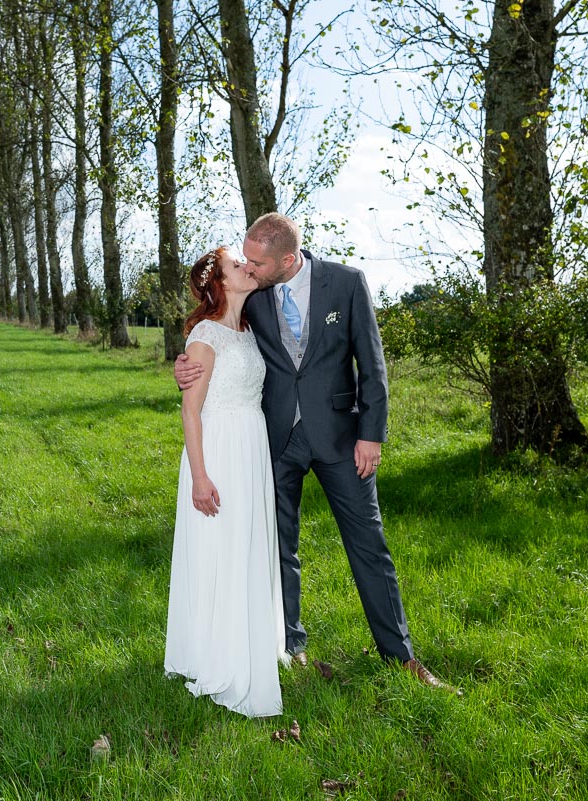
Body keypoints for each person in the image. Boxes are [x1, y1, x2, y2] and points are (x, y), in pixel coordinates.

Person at [175, 214, 459, 694]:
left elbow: (372, 364)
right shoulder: (254, 291)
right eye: (244, 259)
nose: (250, 266)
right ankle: (288, 645)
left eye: (258, 261)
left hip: (342, 440)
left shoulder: (346, 283)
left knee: (369, 545)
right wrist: (182, 367)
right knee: (276, 545)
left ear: (287, 259)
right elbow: (216, 338)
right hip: (272, 439)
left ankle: (402, 655)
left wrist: (372, 433)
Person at [164, 246, 286, 718]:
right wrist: (199, 476)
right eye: (239, 265)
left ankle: (253, 638)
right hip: (217, 449)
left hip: (252, 447)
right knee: (221, 548)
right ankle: (217, 652)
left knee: (248, 545)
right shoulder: (204, 336)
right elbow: (190, 409)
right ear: (220, 282)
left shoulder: (252, 329)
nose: (248, 268)